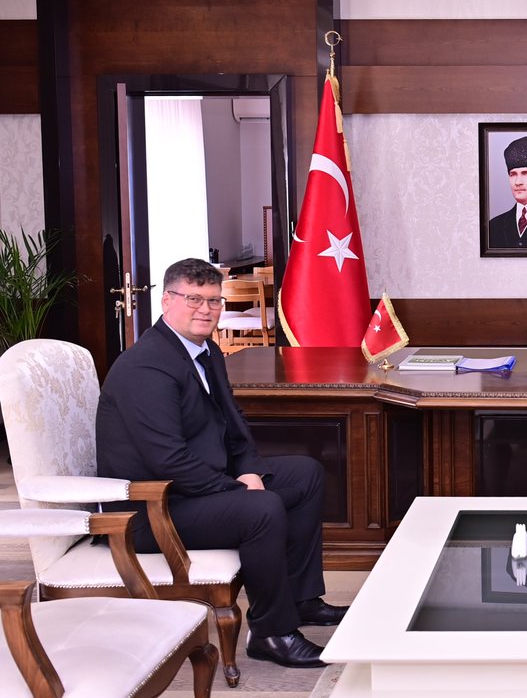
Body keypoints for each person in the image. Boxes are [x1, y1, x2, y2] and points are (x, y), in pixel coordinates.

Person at [95, 258, 346, 669]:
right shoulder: (146, 366)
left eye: (214, 300)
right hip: (151, 509)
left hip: (192, 488)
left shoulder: (206, 350)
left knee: (306, 473)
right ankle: (271, 633)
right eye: (193, 299)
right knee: (261, 508)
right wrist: (237, 488)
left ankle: (300, 600)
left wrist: (248, 469)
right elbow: (168, 460)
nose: (206, 309)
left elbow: (233, 424)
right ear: (167, 301)